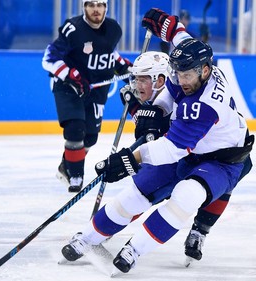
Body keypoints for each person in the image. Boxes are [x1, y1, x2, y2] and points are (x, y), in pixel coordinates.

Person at [60, 7, 254, 274]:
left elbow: (171, 149)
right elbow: (178, 32)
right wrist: (158, 110)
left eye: (187, 75)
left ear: (206, 71)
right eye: (177, 73)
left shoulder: (205, 106)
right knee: (137, 192)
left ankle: (135, 248)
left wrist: (129, 159)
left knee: (187, 195)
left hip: (222, 160)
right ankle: (88, 237)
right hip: (192, 148)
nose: (181, 79)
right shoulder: (191, 64)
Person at [120, 51, 253, 265]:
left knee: (212, 186)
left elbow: (162, 134)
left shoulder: (187, 95)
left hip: (213, 150)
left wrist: (134, 153)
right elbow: (150, 129)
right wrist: (137, 109)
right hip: (186, 152)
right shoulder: (178, 87)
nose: (139, 84)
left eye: (144, 78)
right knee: (148, 192)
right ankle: (116, 221)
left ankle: (200, 231)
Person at [42, 0, 132, 193]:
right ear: (84, 7)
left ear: (106, 8)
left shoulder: (114, 29)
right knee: (75, 129)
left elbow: (109, 53)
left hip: (96, 88)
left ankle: (65, 165)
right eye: (91, 5)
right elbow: (49, 58)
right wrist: (71, 75)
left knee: (90, 138)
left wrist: (125, 68)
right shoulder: (73, 29)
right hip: (69, 87)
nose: (96, 9)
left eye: (100, 5)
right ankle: (75, 175)